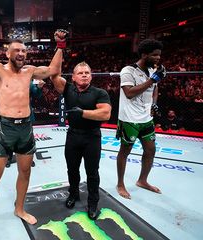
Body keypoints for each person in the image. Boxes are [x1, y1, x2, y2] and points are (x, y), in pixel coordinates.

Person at [0, 8, 65, 235]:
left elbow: (54, 69)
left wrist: (60, 45)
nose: (21, 53)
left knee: (25, 173)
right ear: (7, 52)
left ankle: (19, 208)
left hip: (26, 128)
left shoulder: (29, 71)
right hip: (5, 128)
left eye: (24, 50)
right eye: (17, 50)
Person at [50, 61, 112, 220]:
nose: (84, 75)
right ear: (73, 77)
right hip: (73, 136)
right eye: (80, 73)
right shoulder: (67, 89)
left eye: (87, 72)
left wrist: (83, 113)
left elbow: (105, 114)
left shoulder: (99, 93)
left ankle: (93, 203)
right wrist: (60, 45)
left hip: (92, 137)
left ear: (91, 76)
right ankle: (73, 194)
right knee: (72, 169)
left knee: (92, 173)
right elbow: (53, 74)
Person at [116, 38, 167, 199]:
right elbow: (129, 93)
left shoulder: (153, 70)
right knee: (125, 152)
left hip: (146, 118)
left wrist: (154, 104)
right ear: (144, 55)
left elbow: (155, 89)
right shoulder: (128, 71)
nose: (158, 58)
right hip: (129, 118)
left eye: (159, 55)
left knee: (150, 150)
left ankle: (142, 180)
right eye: (155, 55)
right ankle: (120, 184)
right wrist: (152, 80)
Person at [5, 79, 45, 168]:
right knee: (11, 137)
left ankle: (29, 159)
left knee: (28, 137)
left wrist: (39, 88)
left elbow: (37, 94)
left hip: (26, 113)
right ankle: (8, 158)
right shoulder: (8, 79)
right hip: (12, 112)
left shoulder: (28, 81)